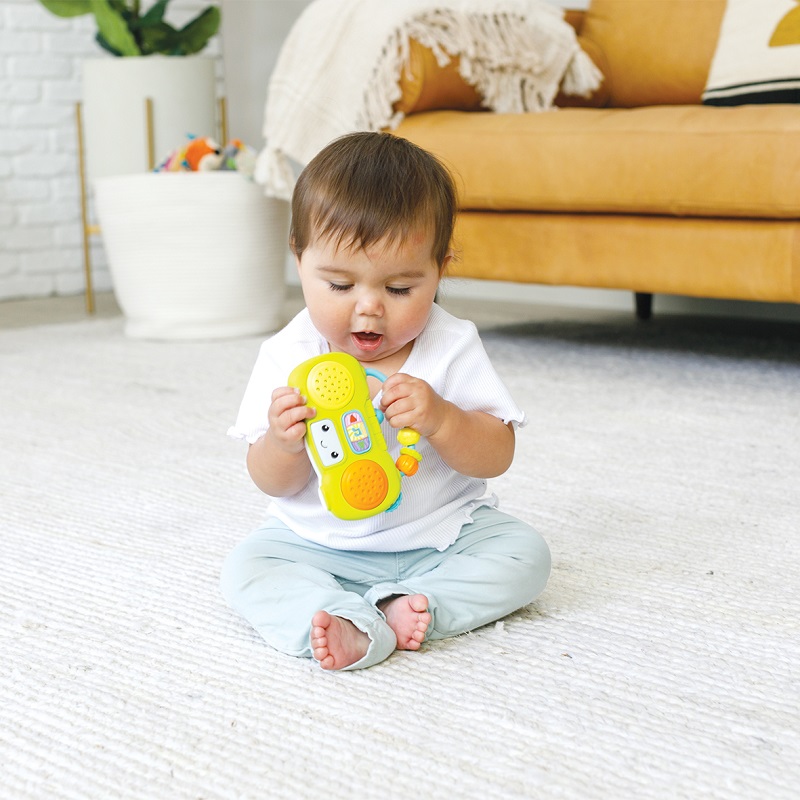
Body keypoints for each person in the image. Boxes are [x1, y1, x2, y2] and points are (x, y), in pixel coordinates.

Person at [221, 132, 550, 671]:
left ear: (440, 268)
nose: (369, 308)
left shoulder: (451, 346)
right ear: (299, 258)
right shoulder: (289, 354)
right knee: (246, 569)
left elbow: (498, 455)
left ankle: (416, 604)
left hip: (439, 537)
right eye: (339, 285)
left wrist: (444, 419)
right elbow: (270, 482)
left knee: (525, 555)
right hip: (316, 544)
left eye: (399, 289)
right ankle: (341, 617)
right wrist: (283, 442)